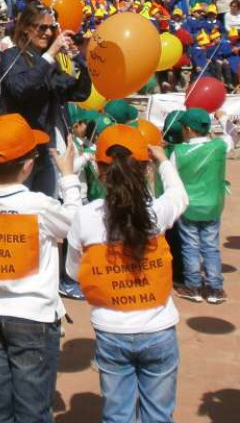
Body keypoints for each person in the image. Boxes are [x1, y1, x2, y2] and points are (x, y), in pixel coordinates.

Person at [67, 125, 188, 423]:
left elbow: (73, 271)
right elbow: (179, 196)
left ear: (98, 170)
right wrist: (163, 162)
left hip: (111, 332)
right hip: (159, 329)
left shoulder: (86, 217)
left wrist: (69, 177)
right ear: (145, 168)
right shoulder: (156, 213)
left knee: (117, 415)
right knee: (158, 416)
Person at [0, 114, 81, 422]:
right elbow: (73, 224)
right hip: (34, 318)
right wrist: (69, 178)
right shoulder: (38, 206)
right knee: (32, 407)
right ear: (29, 164)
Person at [0, 3, 91, 196]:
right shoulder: (12, 56)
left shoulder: (57, 59)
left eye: (51, 27)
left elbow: (77, 92)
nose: (48, 33)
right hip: (18, 151)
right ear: (25, 27)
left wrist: (79, 59)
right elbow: (21, 87)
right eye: (42, 27)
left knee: (47, 207)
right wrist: (50, 55)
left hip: (47, 150)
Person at [171, 108, 230, 304]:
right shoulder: (219, 146)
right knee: (211, 246)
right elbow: (233, 134)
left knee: (190, 246)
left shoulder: (178, 152)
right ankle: (215, 288)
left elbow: (170, 176)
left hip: (189, 207)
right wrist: (223, 119)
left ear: (187, 129)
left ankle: (193, 286)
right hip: (212, 206)